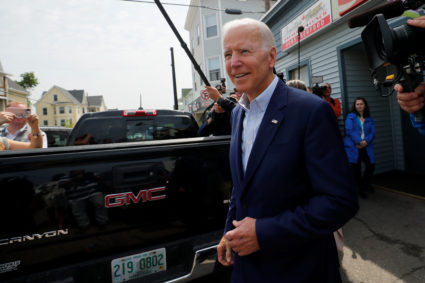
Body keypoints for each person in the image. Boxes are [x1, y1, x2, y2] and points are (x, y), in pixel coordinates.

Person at [212, 18, 358, 282]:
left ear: (271, 57)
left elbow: (340, 202)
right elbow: (241, 188)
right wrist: (228, 233)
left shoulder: (310, 111)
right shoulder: (237, 115)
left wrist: (264, 232)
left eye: (244, 51)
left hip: (300, 270)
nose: (233, 63)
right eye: (227, 54)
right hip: (247, 271)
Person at [344, 97, 376, 198]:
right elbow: (349, 131)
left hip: (366, 146)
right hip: (354, 146)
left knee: (371, 166)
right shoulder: (351, 117)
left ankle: (365, 184)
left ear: (365, 105)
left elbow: (372, 132)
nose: (359, 106)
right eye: (357, 104)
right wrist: (359, 141)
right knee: (356, 169)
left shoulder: (369, 118)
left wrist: (366, 141)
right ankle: (360, 189)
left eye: (361, 104)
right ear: (354, 106)